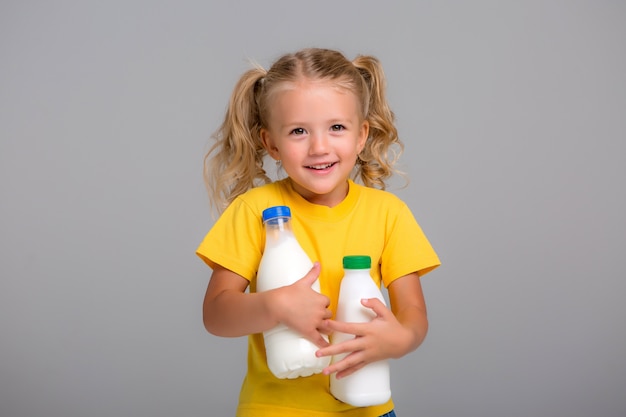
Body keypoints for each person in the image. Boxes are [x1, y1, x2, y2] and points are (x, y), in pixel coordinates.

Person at [196, 47, 440, 417]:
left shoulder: (388, 214)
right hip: (276, 409)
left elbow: (414, 314)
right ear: (271, 144)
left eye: (337, 127)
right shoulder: (255, 211)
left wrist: (399, 339)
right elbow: (215, 315)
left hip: (368, 407)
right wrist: (273, 305)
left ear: (362, 135)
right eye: (298, 131)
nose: (319, 147)